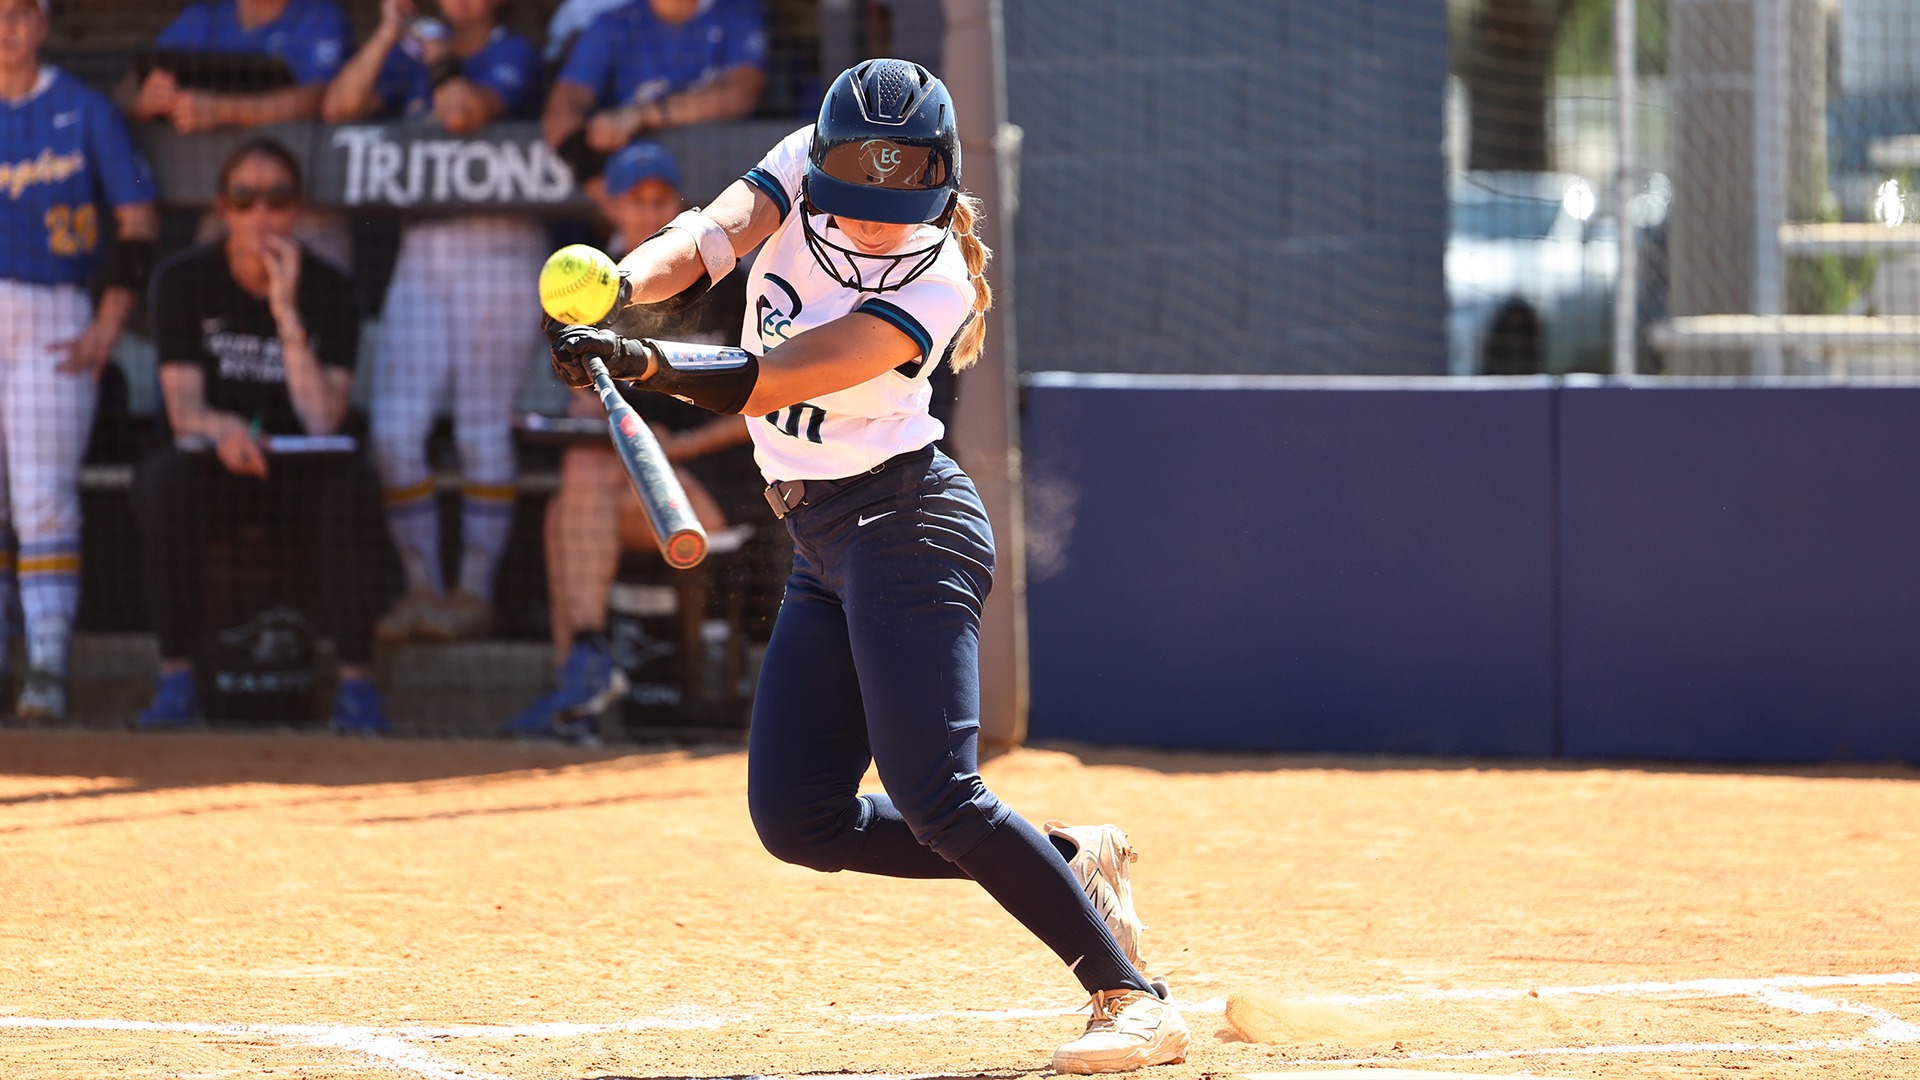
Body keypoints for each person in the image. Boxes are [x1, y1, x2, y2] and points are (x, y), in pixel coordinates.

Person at [544, 60, 1190, 1073]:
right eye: (855, 203)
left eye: (898, 206)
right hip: (821, 541)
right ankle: (1068, 860)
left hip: (907, 528)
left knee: (938, 792)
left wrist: (647, 362)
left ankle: (1131, 998)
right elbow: (705, 241)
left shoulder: (932, 282)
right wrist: (623, 295)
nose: (874, 223)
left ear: (938, 186)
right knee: (798, 816)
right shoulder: (801, 166)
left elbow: (775, 378)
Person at [133, 137, 392, 734]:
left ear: (297, 208)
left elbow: (323, 419)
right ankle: (175, 677)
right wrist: (223, 430)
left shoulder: (329, 288)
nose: (261, 216)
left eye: (276, 200)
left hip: (300, 471)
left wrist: (285, 313)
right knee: (161, 484)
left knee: (354, 487)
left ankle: (356, 685)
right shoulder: (182, 281)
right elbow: (183, 408)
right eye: (244, 200)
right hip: (216, 464)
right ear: (222, 209)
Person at [505, 141, 755, 742]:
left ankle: (581, 681)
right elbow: (585, 409)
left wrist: (676, 449)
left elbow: (769, 400)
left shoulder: (730, 285)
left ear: (679, 207)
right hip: (630, 487)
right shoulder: (590, 294)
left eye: (660, 199)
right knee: (574, 495)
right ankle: (582, 679)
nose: (647, 211)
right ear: (611, 207)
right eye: (634, 199)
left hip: (720, 484)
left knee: (574, 500)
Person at [321, 0, 546, 642]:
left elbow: (460, 112)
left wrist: (436, 50)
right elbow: (337, 108)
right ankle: (421, 584)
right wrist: (391, 31)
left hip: (500, 239)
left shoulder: (512, 51)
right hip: (422, 244)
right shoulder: (406, 50)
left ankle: (473, 593)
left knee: (480, 431)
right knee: (392, 431)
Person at [0, 0, 160, 721]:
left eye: (17, 13)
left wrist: (107, 325)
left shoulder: (83, 108)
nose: (4, 28)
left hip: (55, 313)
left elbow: (138, 222)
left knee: (41, 496)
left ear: (41, 22)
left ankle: (47, 667)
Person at [541, 0, 766, 186]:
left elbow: (741, 94)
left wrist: (641, 116)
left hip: (722, 178)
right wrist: (600, 187)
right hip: (638, 186)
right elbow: (561, 113)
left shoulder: (736, 11)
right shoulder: (614, 23)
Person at [119, 0, 349, 133]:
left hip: (292, 178)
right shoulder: (203, 16)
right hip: (205, 177)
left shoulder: (318, 15)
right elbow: (124, 92)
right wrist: (146, 101)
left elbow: (320, 99)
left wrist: (221, 110)